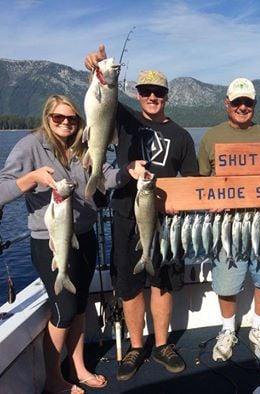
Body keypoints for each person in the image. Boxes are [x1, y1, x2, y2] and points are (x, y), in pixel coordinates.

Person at [0, 95, 144, 393]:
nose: (66, 123)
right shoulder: (30, 146)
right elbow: (2, 189)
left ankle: (78, 368)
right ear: (47, 117)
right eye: (58, 118)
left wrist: (128, 171)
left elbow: (103, 176)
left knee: (78, 307)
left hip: (85, 237)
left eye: (72, 119)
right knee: (63, 310)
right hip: (49, 242)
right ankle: (54, 378)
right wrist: (32, 178)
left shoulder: (81, 146)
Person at [85, 45, 199, 380]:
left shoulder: (181, 136)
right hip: (124, 213)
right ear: (137, 94)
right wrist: (95, 68)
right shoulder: (124, 119)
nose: (152, 97)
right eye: (146, 91)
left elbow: (192, 180)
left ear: (166, 96)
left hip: (166, 221)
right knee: (130, 284)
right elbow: (100, 98)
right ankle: (136, 347)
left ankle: (162, 344)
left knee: (160, 282)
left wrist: (184, 202)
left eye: (159, 92)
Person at [198, 77, 260, 361]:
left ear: (254, 105)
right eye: (237, 102)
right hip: (226, 225)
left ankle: (259, 326)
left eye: (248, 102)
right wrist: (211, 203)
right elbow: (200, 183)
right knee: (226, 283)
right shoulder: (210, 137)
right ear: (227, 104)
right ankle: (227, 330)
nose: (242, 107)